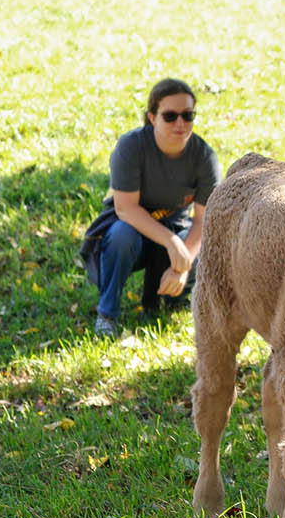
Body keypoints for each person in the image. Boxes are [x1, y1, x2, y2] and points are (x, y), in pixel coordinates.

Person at [79, 78, 221, 336]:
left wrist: (184, 262)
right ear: (152, 117)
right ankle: (107, 313)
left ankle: (167, 302)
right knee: (122, 236)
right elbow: (126, 209)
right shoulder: (131, 147)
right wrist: (172, 243)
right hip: (131, 225)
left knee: (203, 254)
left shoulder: (204, 157)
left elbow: (204, 221)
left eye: (188, 116)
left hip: (176, 226)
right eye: (170, 116)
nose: (180, 124)